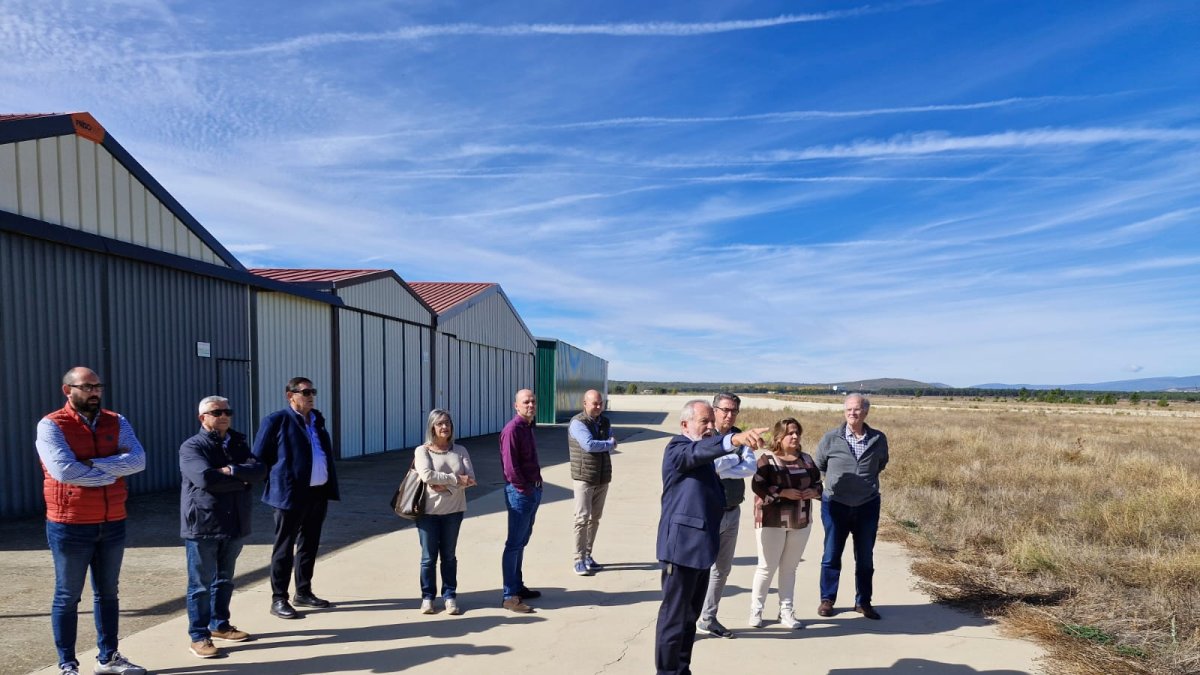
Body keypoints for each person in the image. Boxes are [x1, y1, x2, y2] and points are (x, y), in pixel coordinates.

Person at [35, 367, 148, 675]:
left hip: (112, 522)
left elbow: (138, 461)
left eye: (98, 386)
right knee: (67, 595)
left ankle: (108, 658)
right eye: (86, 387)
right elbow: (64, 472)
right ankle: (68, 664)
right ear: (67, 390)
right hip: (70, 524)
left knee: (108, 593)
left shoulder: (117, 421)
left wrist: (94, 465)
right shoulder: (51, 425)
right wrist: (113, 470)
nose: (95, 392)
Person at [655, 399, 767, 675]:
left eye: (710, 422)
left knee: (689, 619)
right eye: (703, 421)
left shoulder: (705, 457)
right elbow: (697, 452)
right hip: (680, 550)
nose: (709, 426)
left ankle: (682, 670)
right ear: (685, 425)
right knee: (674, 619)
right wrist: (733, 439)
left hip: (702, 549)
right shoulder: (677, 449)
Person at [179, 396, 266, 658]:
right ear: (202, 418)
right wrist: (241, 478)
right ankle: (199, 635)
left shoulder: (237, 442)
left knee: (225, 580)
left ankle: (220, 625)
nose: (224, 416)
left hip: (235, 521)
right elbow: (205, 478)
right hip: (204, 523)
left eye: (227, 411)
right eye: (216, 412)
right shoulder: (192, 447)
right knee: (200, 584)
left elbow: (260, 471)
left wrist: (229, 470)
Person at [253, 377, 340, 620]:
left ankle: (303, 591)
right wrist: (278, 482)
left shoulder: (317, 420)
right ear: (290, 396)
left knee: (310, 544)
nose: (310, 395)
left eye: (313, 391)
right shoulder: (276, 421)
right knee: (284, 546)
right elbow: (259, 457)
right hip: (290, 495)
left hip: (317, 493)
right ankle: (278, 598)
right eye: (305, 392)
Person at [816, 393, 889, 620]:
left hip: (867, 506)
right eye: (848, 409)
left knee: (865, 557)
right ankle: (827, 600)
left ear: (865, 412)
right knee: (831, 554)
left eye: (856, 409)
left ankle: (863, 602)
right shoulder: (831, 438)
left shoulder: (878, 439)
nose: (852, 413)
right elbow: (820, 464)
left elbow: (881, 464)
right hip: (835, 505)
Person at [748, 418, 821, 629]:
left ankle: (786, 611)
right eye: (790, 433)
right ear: (779, 437)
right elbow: (758, 486)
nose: (795, 436)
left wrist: (814, 492)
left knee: (789, 568)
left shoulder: (806, 459)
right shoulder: (767, 459)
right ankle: (756, 610)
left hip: (800, 520)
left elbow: (818, 484)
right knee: (766, 567)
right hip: (771, 520)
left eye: (797, 432)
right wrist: (782, 493)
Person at [696, 392, 756, 639]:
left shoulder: (741, 434)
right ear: (715, 409)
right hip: (707, 512)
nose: (729, 415)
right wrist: (732, 460)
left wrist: (724, 464)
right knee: (698, 569)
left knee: (722, 569)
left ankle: (708, 618)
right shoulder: (706, 435)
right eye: (725, 410)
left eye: (734, 411)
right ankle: (686, 618)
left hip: (732, 510)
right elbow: (710, 467)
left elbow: (750, 467)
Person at [413, 409, 477, 615]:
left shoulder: (460, 450)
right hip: (428, 513)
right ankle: (428, 597)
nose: (444, 427)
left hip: (454, 511)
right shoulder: (422, 451)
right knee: (428, 558)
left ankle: (449, 596)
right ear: (432, 427)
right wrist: (456, 480)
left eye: (447, 423)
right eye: (440, 423)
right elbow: (425, 475)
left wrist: (444, 484)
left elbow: (471, 478)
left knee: (449, 556)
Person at [499, 388, 543, 613]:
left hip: (532, 492)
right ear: (516, 406)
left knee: (522, 542)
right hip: (521, 494)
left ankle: (517, 586)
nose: (530, 405)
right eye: (526, 402)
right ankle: (509, 595)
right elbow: (510, 467)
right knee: (514, 544)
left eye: (533, 401)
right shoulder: (512, 429)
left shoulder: (528, 427)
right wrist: (524, 489)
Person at [568, 389, 617, 576]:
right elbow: (588, 445)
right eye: (594, 403)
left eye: (600, 403)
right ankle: (578, 559)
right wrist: (608, 444)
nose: (597, 407)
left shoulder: (605, 421)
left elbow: (609, 442)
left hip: (602, 477)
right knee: (581, 519)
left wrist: (606, 444)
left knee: (595, 519)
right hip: (584, 478)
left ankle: (588, 555)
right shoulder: (577, 423)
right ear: (585, 403)